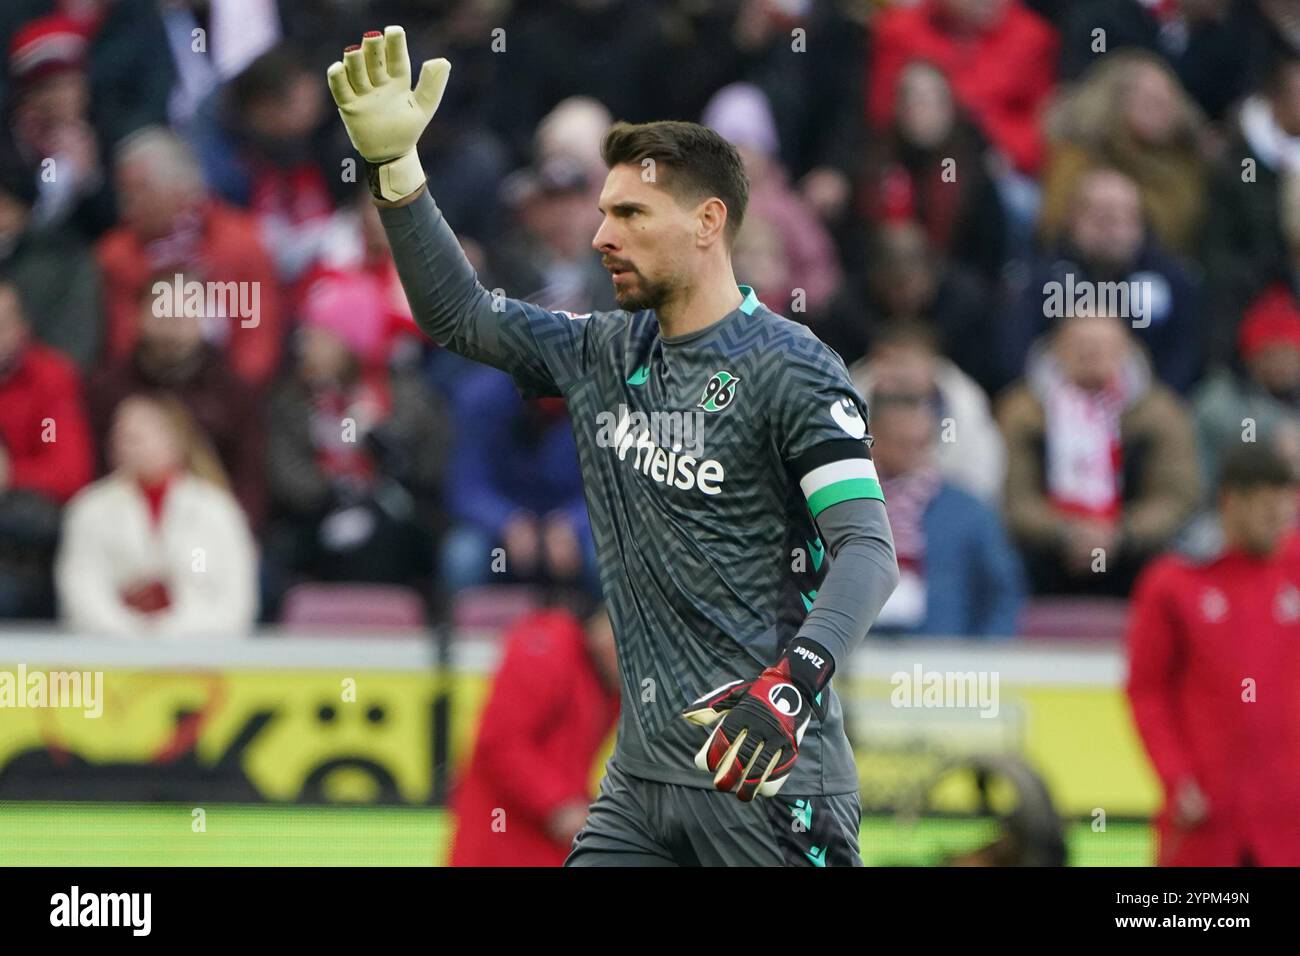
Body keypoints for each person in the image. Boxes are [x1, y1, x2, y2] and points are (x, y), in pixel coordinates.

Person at [328, 27, 899, 866]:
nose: (602, 236)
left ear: (709, 223)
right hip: (637, 790)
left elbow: (869, 550)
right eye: (602, 213)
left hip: (766, 782)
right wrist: (398, 175)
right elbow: (459, 316)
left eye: (630, 214)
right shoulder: (598, 349)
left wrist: (792, 684)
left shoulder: (796, 369)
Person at [1126, 443, 1300, 866]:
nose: (1279, 525)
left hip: (1287, 819)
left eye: (1287, 512)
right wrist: (1175, 774)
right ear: (1230, 502)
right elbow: (1147, 692)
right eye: (1266, 511)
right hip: (1206, 816)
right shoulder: (1175, 582)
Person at [998, 310, 1200, 596]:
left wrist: (1118, 535)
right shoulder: (1021, 412)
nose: (1091, 354)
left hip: (1132, 547)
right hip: (1044, 548)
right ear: (1057, 350)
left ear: (1125, 351)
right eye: (1080, 345)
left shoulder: (1160, 413)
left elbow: (1175, 496)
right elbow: (1014, 496)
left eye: (1102, 346)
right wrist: (1068, 533)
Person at [55, 393, 258, 637]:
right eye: (122, 433)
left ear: (176, 439)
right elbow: (81, 593)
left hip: (201, 654)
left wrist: (170, 631)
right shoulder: (89, 509)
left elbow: (235, 601)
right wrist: (132, 633)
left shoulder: (216, 509)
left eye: (143, 431)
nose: (130, 440)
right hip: (110, 653)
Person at [449, 603, 620, 867]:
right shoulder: (547, 649)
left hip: (534, 839)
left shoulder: (600, 677)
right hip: (506, 843)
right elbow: (499, 742)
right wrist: (559, 804)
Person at [867, 388, 1024, 637]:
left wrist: (985, 659)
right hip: (853, 657)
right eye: (900, 442)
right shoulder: (842, 505)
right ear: (873, 439)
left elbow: (1002, 592)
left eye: (920, 443)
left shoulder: (967, 510)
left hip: (944, 660)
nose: (911, 453)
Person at [0, 277, 94, 617]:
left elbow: (68, 472)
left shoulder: (49, 379)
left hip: (18, 545)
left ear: (21, 327)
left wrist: (10, 474)